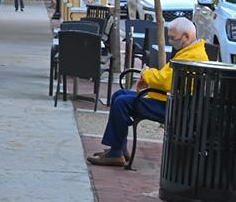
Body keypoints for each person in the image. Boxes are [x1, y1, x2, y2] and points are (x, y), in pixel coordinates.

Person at [87, 18, 208, 166]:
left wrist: (146, 73)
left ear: (187, 36)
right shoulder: (189, 51)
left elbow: (166, 82)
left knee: (121, 103)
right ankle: (119, 149)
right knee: (119, 95)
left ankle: (116, 153)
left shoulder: (193, 56)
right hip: (168, 100)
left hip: (172, 107)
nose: (171, 41)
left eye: (173, 38)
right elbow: (168, 79)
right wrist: (149, 76)